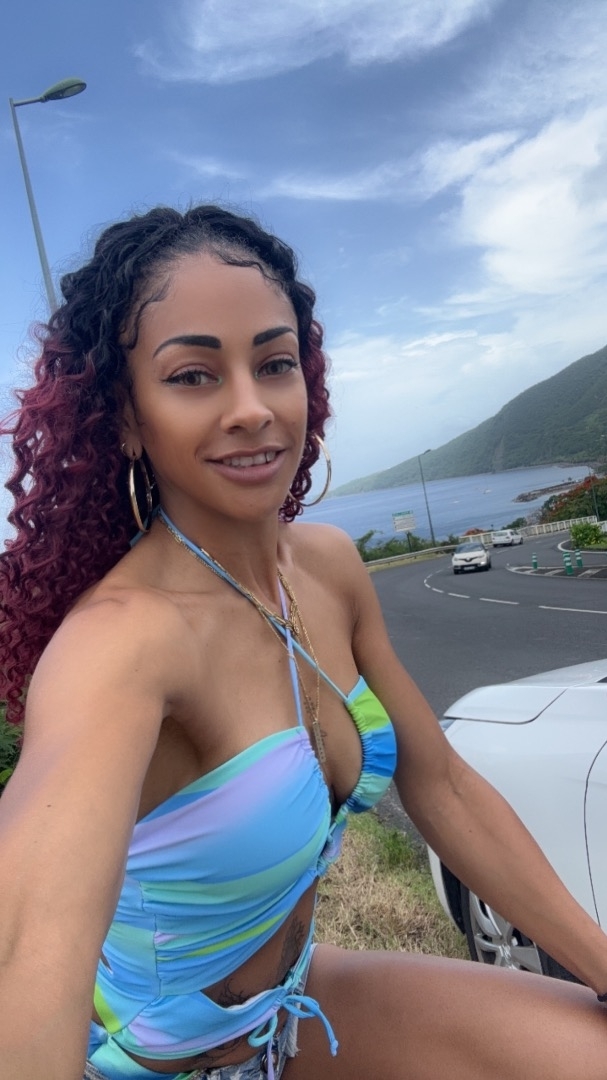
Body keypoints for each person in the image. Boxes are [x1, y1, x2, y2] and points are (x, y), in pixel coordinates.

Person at [1, 204, 607, 1080]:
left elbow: (440, 785)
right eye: (193, 376)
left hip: (294, 1011)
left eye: (273, 363)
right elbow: (27, 946)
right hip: (163, 1065)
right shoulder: (121, 645)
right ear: (126, 418)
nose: (251, 409)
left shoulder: (324, 565)